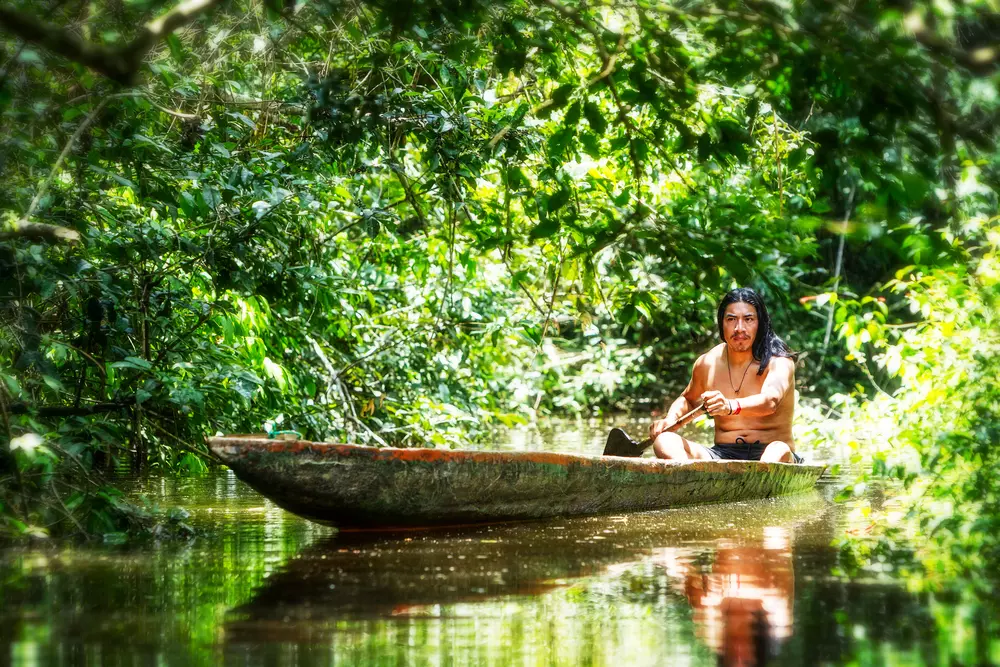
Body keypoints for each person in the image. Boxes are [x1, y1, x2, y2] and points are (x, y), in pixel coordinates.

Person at [650, 287, 802, 463]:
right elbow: (688, 400)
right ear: (722, 323)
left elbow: (770, 402)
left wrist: (730, 406)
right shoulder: (708, 362)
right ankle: (688, 477)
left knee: (777, 450)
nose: (739, 328)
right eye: (731, 319)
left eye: (748, 319)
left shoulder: (779, 361)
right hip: (723, 454)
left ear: (760, 323)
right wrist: (670, 419)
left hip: (772, 451)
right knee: (664, 441)